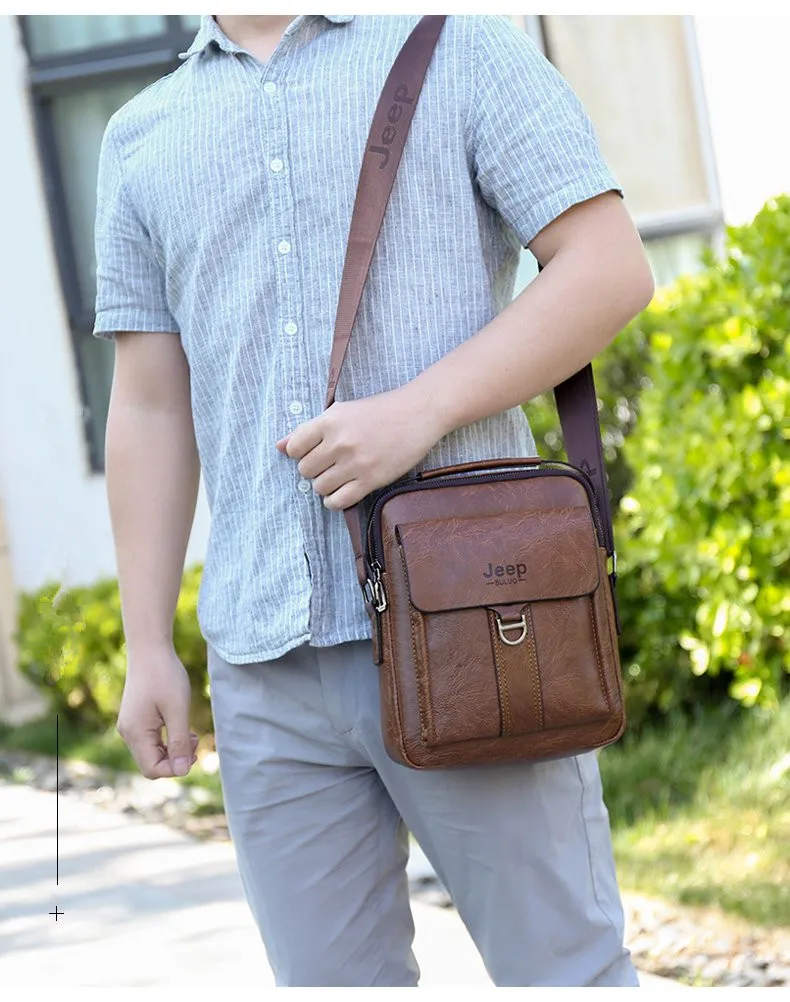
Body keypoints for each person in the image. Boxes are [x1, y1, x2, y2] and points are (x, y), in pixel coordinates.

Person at [93, 14, 654, 988]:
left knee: (564, 976)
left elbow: (608, 268)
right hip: (265, 664)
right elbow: (148, 403)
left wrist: (416, 413)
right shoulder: (140, 135)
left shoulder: (458, 48)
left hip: (478, 622)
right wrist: (147, 644)